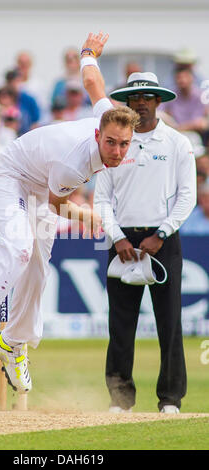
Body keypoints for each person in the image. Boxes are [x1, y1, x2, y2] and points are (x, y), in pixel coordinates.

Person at [0, 32, 140, 397]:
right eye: (110, 143)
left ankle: (12, 344)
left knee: (36, 267)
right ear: (98, 135)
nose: (116, 150)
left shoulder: (110, 117)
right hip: (11, 176)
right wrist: (89, 218)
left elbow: (93, 83)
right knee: (18, 248)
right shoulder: (74, 164)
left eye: (123, 144)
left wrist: (87, 54)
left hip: (40, 182)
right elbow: (55, 202)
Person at [82, 33, 197, 414]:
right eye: (135, 98)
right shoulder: (117, 143)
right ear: (128, 103)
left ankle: (170, 399)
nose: (142, 104)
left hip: (163, 239)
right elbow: (102, 198)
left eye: (148, 98)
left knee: (170, 324)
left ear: (158, 102)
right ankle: (120, 399)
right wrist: (116, 238)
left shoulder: (178, 144)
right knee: (120, 325)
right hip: (123, 241)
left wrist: (161, 233)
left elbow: (187, 196)